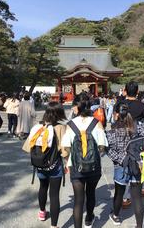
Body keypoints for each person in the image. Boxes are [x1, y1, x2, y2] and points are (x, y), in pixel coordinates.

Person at [62, 94, 108, 228]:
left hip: (76, 167)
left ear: (77, 107)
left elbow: (65, 148)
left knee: (78, 200)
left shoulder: (70, 125)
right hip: (94, 166)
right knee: (91, 192)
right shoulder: (96, 122)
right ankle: (89, 218)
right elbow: (102, 146)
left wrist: (67, 162)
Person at [22, 102, 68, 228]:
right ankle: (54, 225)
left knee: (43, 187)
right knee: (54, 194)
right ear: (59, 113)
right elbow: (64, 150)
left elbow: (27, 147)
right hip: (55, 166)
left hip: (40, 164)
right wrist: (67, 163)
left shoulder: (39, 126)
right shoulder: (60, 127)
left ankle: (42, 213)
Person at [106, 104, 144, 227]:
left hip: (121, 166)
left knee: (119, 193)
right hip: (136, 164)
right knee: (137, 196)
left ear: (117, 114)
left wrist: (121, 159)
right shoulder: (138, 127)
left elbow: (109, 150)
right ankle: (139, 225)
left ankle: (116, 216)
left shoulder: (112, 131)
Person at [115, 81, 144, 198]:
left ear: (125, 91)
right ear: (137, 92)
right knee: (142, 158)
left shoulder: (120, 104)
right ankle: (143, 186)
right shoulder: (142, 105)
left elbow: (115, 120)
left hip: (123, 134)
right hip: (139, 136)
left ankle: (125, 197)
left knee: (125, 161)